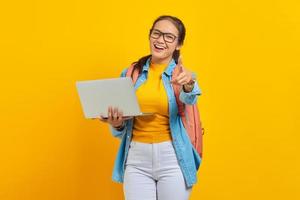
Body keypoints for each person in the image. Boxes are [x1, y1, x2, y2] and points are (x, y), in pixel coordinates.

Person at [96, 15, 202, 200]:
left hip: (173, 158)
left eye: (169, 37)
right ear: (150, 35)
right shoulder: (131, 74)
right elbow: (120, 130)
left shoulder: (183, 75)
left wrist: (189, 84)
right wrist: (117, 123)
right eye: (157, 33)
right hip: (136, 159)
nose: (161, 40)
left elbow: (190, 99)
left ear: (178, 44)